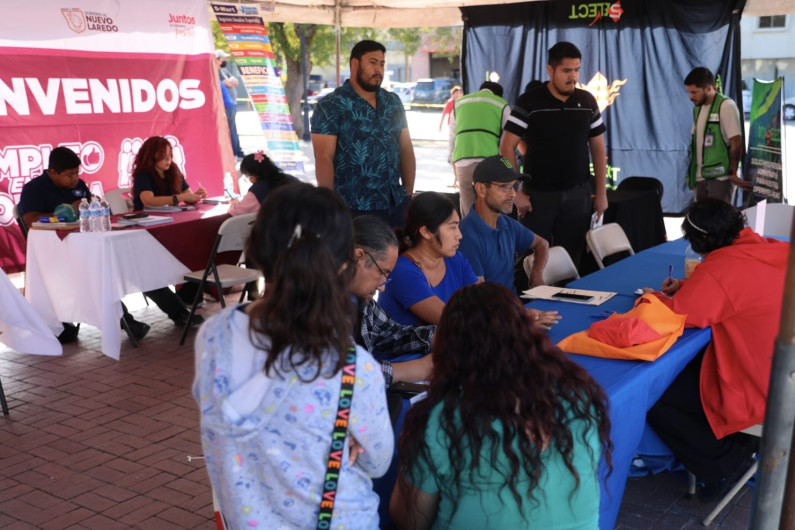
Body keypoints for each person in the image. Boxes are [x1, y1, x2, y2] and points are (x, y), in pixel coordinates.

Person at [193, 183, 393, 528]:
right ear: (345, 263)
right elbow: (377, 462)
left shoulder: (214, 336)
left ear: (258, 248)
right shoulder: (352, 369)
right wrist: (345, 436)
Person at [390, 282, 612, 529]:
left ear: (449, 347)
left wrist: (409, 452)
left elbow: (409, 521)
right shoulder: (578, 398)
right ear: (527, 334)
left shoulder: (440, 418)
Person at [644, 198, 788, 503]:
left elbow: (679, 316)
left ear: (701, 240)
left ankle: (725, 465)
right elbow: (740, 289)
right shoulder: (770, 247)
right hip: (782, 372)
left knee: (655, 394)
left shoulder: (721, 269)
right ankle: (736, 444)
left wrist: (651, 298)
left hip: (759, 385)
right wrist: (690, 285)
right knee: (688, 373)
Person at [17, 147, 150, 341]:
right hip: (54, 252)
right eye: (69, 175)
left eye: (77, 173)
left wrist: (93, 204)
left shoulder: (79, 185)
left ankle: (175, 311)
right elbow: (31, 221)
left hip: (85, 244)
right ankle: (127, 321)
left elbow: (90, 208)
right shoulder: (34, 188)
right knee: (98, 272)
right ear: (52, 172)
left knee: (133, 260)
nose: (74, 179)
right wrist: (68, 210)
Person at [500, 41, 608, 270]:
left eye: (577, 69)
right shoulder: (529, 101)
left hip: (578, 196)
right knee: (529, 263)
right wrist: (516, 191)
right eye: (566, 70)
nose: (573, 76)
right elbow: (506, 147)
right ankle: (528, 305)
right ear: (550, 70)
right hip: (537, 198)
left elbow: (599, 150)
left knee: (570, 263)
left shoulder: (587, 101)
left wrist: (601, 193)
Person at [311, 40, 415, 227]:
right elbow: (323, 157)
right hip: (352, 208)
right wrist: (328, 205)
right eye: (372, 62)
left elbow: (405, 148)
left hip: (395, 204)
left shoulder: (393, 102)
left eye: (382, 64)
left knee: (397, 255)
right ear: (355, 64)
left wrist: (407, 193)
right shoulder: (330, 105)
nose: (378, 69)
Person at [129, 136, 206, 327]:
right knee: (148, 273)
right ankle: (179, 311)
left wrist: (196, 196)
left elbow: (186, 195)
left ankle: (187, 296)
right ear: (151, 157)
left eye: (170, 156)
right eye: (163, 157)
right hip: (148, 229)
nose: (168, 160)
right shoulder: (144, 175)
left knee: (198, 250)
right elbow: (148, 200)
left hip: (171, 224)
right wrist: (177, 197)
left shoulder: (173, 170)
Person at [351, 216, 434, 389]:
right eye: (382, 272)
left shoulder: (361, 302)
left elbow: (391, 334)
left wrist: (440, 336)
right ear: (358, 257)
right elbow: (343, 377)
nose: (382, 288)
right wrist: (420, 368)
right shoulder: (320, 308)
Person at [377, 192, 477, 327]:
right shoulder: (402, 271)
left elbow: (481, 303)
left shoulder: (455, 259)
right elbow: (451, 322)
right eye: (452, 227)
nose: (459, 235)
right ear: (426, 232)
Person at [683, 67, 750, 203]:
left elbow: (736, 142)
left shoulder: (726, 106)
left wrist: (732, 173)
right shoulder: (698, 108)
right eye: (689, 92)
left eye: (694, 92)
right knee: (701, 221)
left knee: (719, 220)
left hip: (721, 179)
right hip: (700, 178)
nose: (691, 97)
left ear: (708, 88)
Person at [449, 81, 510, 216]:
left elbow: (452, 138)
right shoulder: (501, 104)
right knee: (490, 204)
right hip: (489, 162)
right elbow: (507, 140)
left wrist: (453, 163)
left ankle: (468, 233)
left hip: (462, 160)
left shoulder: (459, 103)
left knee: (466, 205)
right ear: (498, 95)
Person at [227, 150, 297, 216]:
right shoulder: (290, 178)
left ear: (252, 178)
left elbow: (235, 211)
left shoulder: (257, 191)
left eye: (246, 177)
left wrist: (234, 202)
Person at [215, 49, 245, 159]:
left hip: (231, 105)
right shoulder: (217, 72)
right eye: (223, 58)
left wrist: (231, 81)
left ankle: (237, 151)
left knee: (232, 130)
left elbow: (235, 81)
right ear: (217, 60)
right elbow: (230, 83)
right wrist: (231, 82)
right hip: (227, 106)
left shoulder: (224, 71)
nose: (225, 60)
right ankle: (235, 152)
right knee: (231, 130)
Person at [439, 85, 462, 188]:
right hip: (453, 130)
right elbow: (444, 114)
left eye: (459, 92)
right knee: (452, 156)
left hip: (461, 131)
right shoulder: (450, 103)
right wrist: (440, 125)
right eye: (455, 93)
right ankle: (456, 179)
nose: (458, 94)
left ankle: (458, 180)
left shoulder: (464, 103)